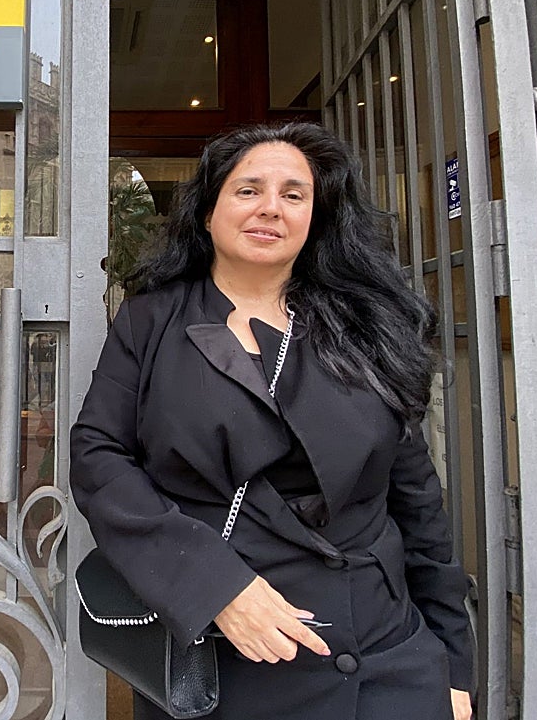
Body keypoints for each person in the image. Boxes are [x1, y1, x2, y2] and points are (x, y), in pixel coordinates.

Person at [70, 122, 474, 720]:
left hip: (383, 656)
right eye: (248, 190)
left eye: (293, 194)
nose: (270, 208)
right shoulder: (150, 321)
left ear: (316, 218)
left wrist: (452, 663)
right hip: (224, 657)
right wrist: (213, 587)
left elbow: (416, 499)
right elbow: (99, 457)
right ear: (208, 212)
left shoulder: (366, 327)